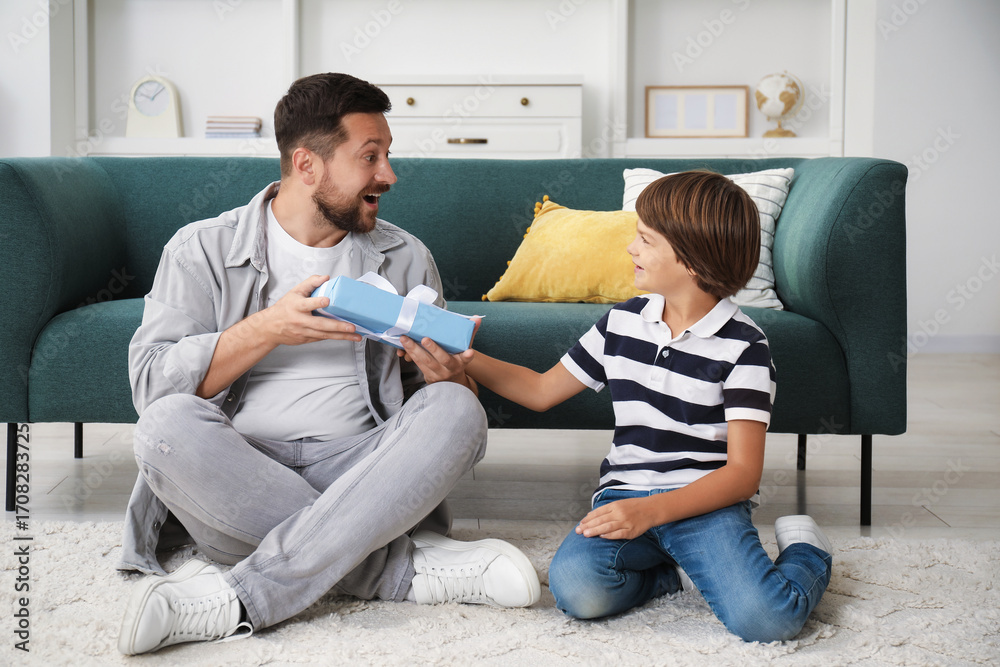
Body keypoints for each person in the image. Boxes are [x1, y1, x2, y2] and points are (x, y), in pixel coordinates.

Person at [117, 73, 540, 656]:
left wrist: (450, 376)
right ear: (307, 164)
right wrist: (267, 328)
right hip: (240, 477)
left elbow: (437, 412)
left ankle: (239, 597)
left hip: (362, 472)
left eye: (387, 155)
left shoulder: (405, 256)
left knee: (456, 409)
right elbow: (151, 386)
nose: (388, 175)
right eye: (370, 157)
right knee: (163, 426)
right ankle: (397, 569)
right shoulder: (201, 249)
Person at [458, 171, 833, 642]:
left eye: (646, 240)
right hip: (624, 497)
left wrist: (652, 513)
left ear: (692, 259)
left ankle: (807, 550)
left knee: (768, 620)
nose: (631, 248)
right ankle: (670, 575)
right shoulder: (622, 322)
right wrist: (466, 358)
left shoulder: (745, 348)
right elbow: (540, 390)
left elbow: (742, 475)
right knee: (577, 591)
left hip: (705, 506)